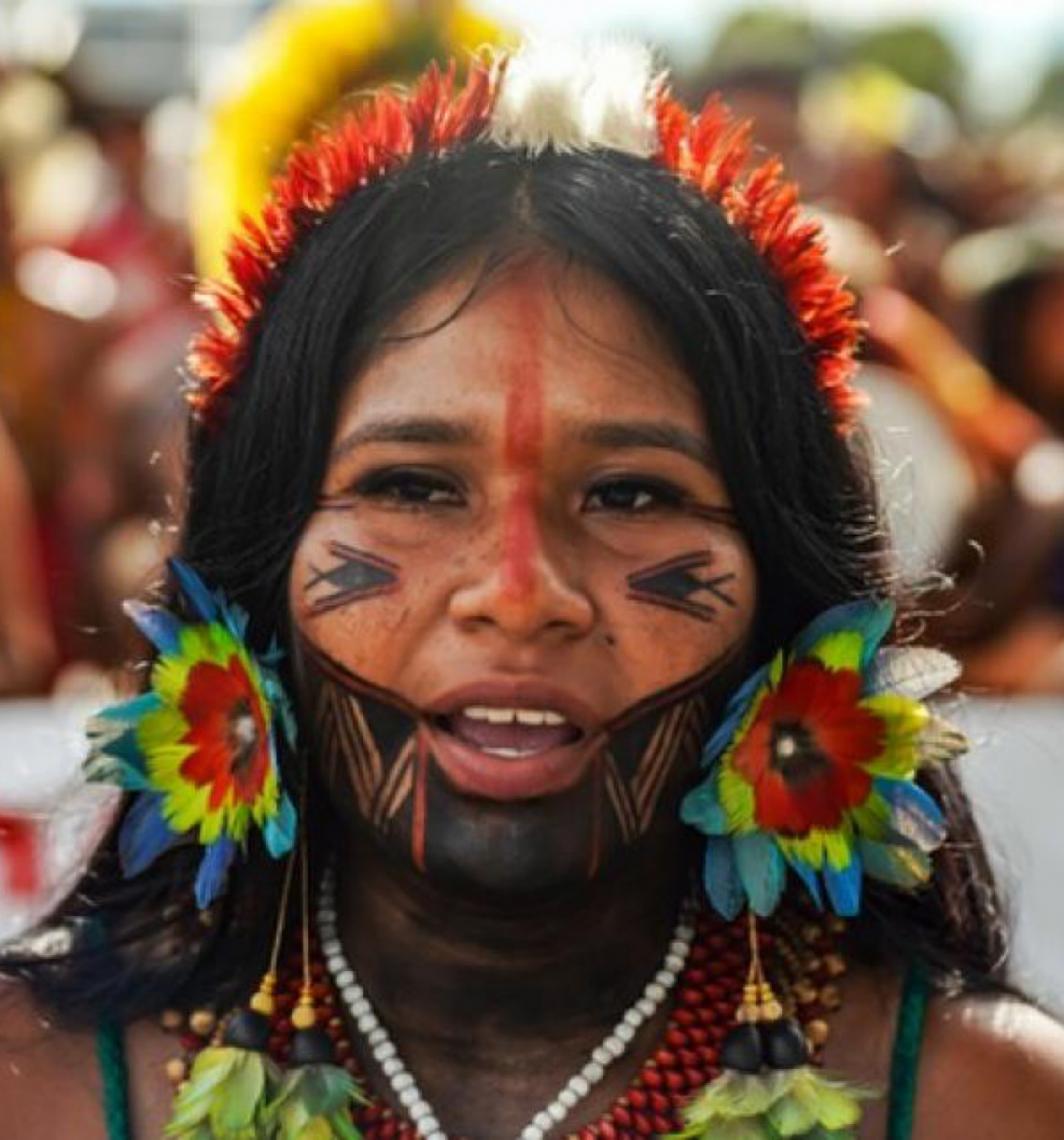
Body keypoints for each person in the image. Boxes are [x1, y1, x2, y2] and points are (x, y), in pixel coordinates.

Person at [2, 43, 1064, 1140]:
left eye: (631, 495)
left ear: (787, 591)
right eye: (410, 486)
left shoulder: (982, 1103)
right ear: (256, 570)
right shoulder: (37, 1088)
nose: (518, 593)